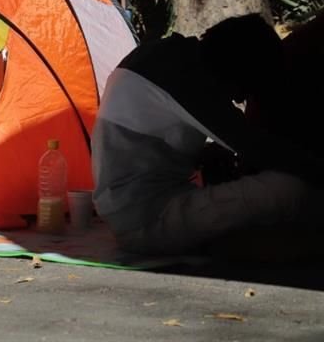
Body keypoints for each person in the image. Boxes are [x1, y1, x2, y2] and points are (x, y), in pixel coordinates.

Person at [92, 13, 323, 256]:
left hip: (128, 210)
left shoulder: (165, 55)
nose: (238, 99)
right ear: (238, 67)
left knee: (225, 163)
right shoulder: (188, 77)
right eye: (245, 88)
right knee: (288, 189)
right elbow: (258, 147)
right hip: (148, 221)